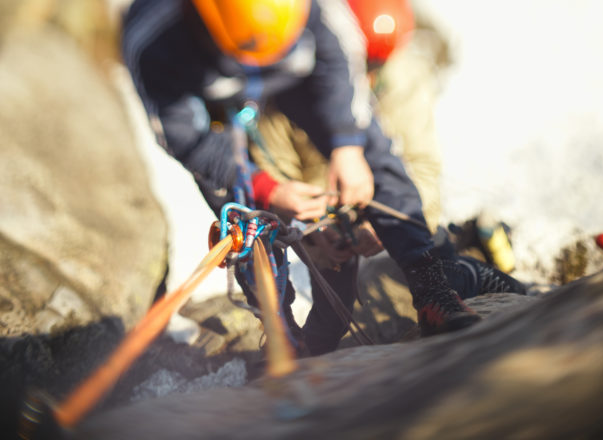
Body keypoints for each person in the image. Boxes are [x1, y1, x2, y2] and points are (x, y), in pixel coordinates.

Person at [121, 0, 525, 356]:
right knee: (243, 214)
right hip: (219, 100)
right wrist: (274, 194)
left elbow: (340, 66)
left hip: (295, 76)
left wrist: (347, 145)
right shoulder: (153, 37)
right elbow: (186, 139)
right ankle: (281, 334)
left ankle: (434, 291)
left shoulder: (323, 17)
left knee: (372, 153)